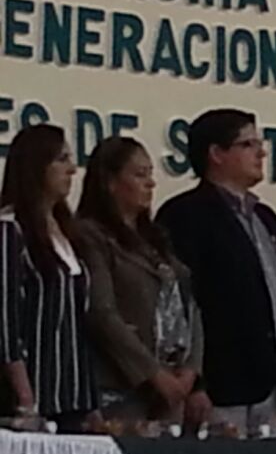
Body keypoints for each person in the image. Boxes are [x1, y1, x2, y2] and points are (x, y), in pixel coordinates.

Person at [155, 108, 276, 434]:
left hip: (268, 388)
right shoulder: (186, 215)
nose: (262, 152)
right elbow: (181, 305)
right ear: (217, 154)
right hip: (218, 390)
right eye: (248, 144)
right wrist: (197, 383)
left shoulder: (266, 218)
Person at [78, 137, 207, 424]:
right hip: (124, 388)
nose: (150, 184)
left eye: (150, 174)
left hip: (173, 387)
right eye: (139, 175)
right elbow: (102, 313)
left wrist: (191, 372)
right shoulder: (92, 236)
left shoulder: (155, 239)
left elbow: (190, 307)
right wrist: (152, 372)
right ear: (110, 182)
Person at [0, 125, 96, 426]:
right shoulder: (10, 230)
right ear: (36, 166)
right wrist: (25, 397)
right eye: (61, 159)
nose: (72, 169)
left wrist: (90, 401)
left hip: (72, 396)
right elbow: (5, 320)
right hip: (30, 398)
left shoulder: (69, 233)